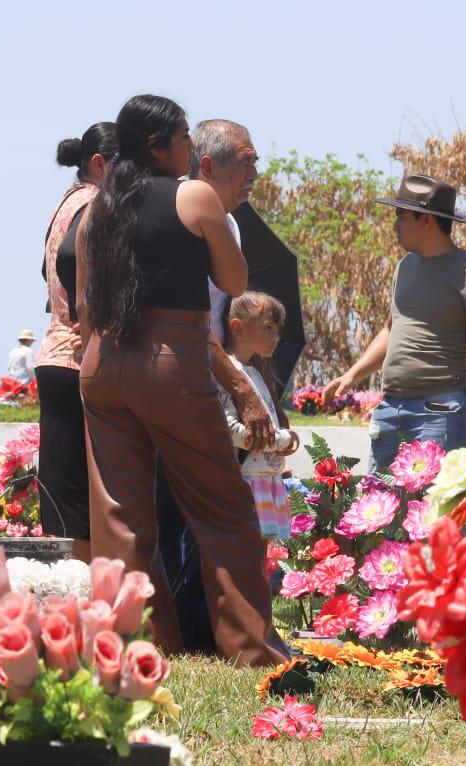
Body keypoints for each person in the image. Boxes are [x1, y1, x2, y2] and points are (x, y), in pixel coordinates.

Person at [75, 94, 287, 667]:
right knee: (222, 507)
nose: (191, 148)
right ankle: (251, 647)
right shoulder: (193, 194)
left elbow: (87, 302)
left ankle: (135, 647)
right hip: (172, 360)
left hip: (101, 363)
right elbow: (235, 277)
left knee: (120, 517)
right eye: (185, 139)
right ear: (158, 147)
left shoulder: (97, 207)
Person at [156, 118, 270, 654]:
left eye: (255, 162)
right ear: (205, 168)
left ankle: (200, 627)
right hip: (170, 377)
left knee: (197, 511)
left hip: (209, 380)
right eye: (244, 163)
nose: (254, 174)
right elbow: (191, 326)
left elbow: (221, 320)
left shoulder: (231, 222)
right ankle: (183, 629)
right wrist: (241, 388)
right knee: (184, 510)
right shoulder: (185, 214)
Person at [323, 174, 466, 469]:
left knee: (431, 511)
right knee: (380, 509)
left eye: (402, 217)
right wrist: (351, 376)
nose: (395, 225)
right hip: (390, 410)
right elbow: (391, 329)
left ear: (427, 220)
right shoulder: (404, 267)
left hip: (440, 412)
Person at [35, 122, 117, 562]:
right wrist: (91, 325)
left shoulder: (67, 204)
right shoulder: (97, 207)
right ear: (101, 164)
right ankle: (81, 605)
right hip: (77, 359)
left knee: (66, 495)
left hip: (55, 355)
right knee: (82, 502)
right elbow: (70, 262)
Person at [215, 291, 300, 540]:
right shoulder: (228, 373)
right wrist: (283, 440)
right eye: (268, 328)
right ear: (238, 328)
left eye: (277, 329)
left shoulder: (255, 371)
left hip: (265, 482)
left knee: (262, 557)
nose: (276, 337)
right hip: (246, 483)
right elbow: (232, 432)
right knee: (245, 553)